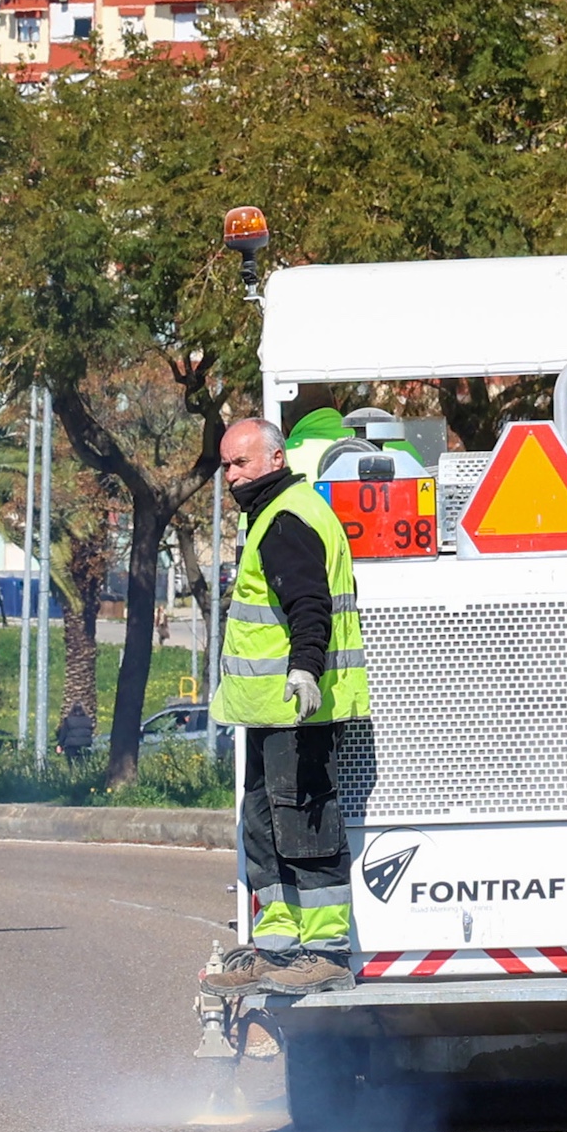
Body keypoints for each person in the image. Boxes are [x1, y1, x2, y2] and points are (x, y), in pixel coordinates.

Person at [200, 417, 370, 996]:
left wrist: (304, 667)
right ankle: (277, 947)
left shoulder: (287, 517)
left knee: (304, 827)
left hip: (298, 711)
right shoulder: (272, 513)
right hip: (270, 714)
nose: (231, 475)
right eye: (226, 465)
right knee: (265, 826)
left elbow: (308, 603)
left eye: (241, 462)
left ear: (275, 459)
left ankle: (325, 951)